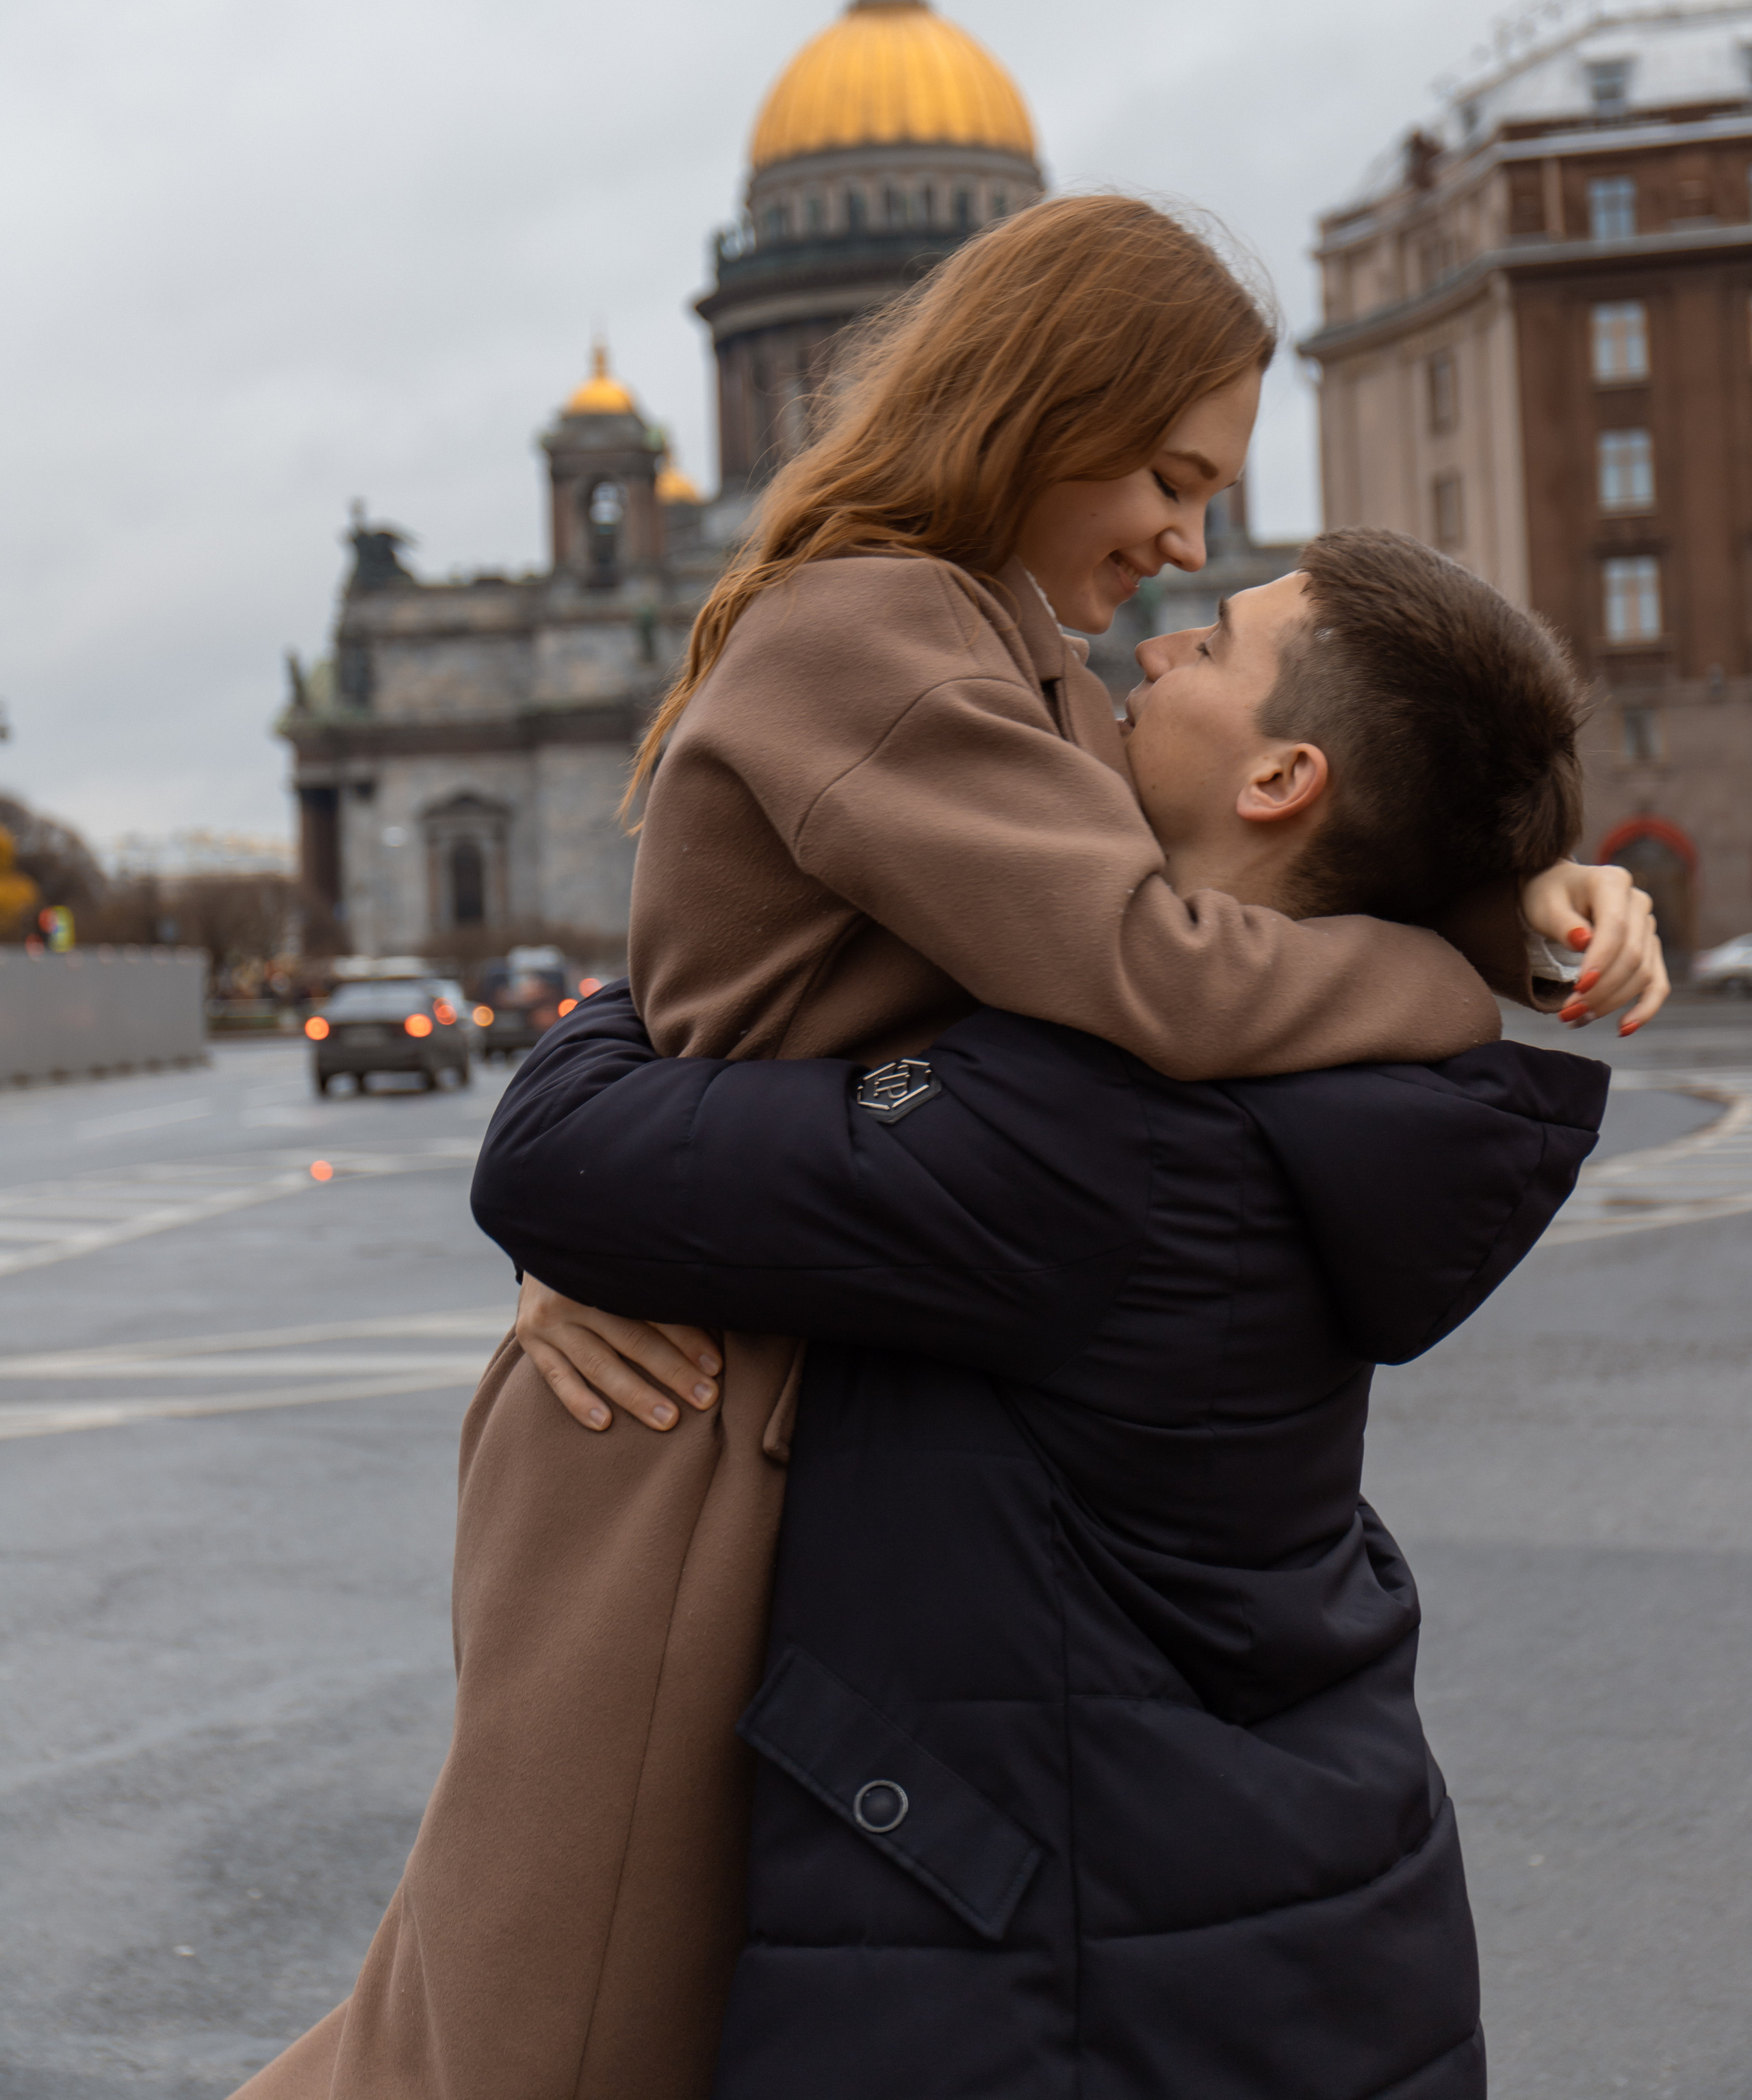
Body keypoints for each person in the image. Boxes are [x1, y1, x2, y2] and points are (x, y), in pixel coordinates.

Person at [233, 201, 1660, 2100]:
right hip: (676, 1413)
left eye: (1210, 509)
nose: (1182, 551)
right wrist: (1441, 968)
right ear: (1041, 405)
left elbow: (1201, 882)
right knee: (532, 2027)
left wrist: (1507, 888)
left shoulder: (1013, 659)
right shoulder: (892, 632)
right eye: (1167, 478)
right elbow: (1159, 954)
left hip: (754, 1308)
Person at [473, 530, 1614, 2099]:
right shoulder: (1327, 1064)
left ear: (1281, 780)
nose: (1146, 647)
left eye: (1209, 644)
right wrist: (1486, 908)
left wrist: (706, 945)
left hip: (1046, 1985)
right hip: (1271, 1924)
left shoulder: (1085, 1142)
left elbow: (555, 1160)